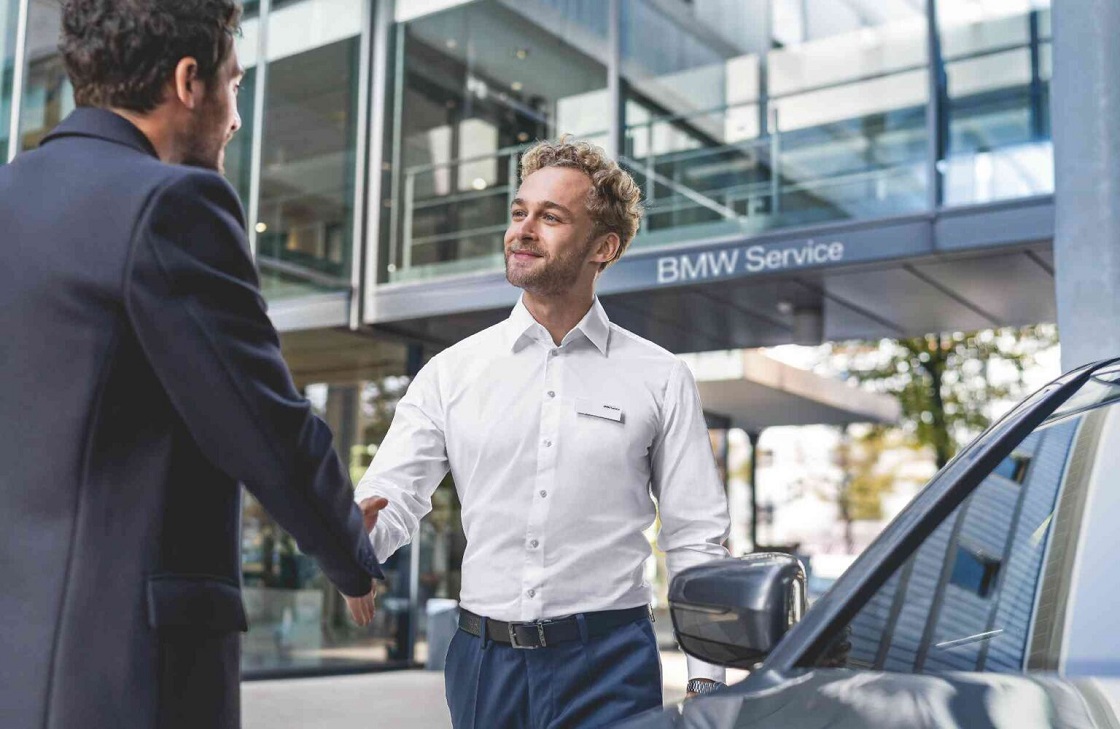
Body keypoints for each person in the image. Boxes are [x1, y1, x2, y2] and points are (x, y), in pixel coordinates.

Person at [0, 2, 385, 727]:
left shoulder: (10, 193)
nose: (236, 117)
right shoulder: (173, 205)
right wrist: (351, 551)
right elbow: (266, 423)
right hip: (120, 673)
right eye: (234, 85)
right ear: (188, 82)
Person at [356, 138, 732, 728]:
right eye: (518, 212)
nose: (523, 230)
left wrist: (707, 677)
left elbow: (695, 536)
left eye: (550, 217)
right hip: (483, 664)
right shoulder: (452, 372)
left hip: (609, 661)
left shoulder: (660, 377)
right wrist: (352, 542)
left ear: (603, 247)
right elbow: (393, 497)